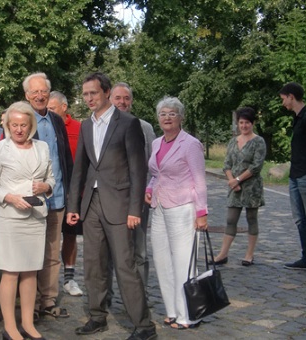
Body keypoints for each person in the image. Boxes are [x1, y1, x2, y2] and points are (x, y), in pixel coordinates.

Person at [66, 72, 156, 340]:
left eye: (93, 93)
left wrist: (134, 209)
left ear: (106, 92)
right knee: (93, 264)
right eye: (85, 94)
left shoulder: (129, 124)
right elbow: (79, 168)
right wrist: (73, 205)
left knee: (125, 265)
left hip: (120, 205)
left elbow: (139, 171)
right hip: (91, 205)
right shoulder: (85, 126)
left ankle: (144, 326)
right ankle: (97, 316)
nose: (89, 98)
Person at [0, 101, 55, 340]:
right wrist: (10, 197)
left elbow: (51, 180)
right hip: (9, 218)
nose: (19, 129)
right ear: (7, 124)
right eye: (14, 125)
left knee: (31, 272)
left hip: (35, 217)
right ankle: (10, 327)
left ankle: (28, 324)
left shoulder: (42, 148)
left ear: (31, 125)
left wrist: (46, 186)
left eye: (23, 125)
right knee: (11, 272)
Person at [145, 96, 208, 330]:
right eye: (163, 114)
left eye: (172, 113)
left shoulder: (190, 144)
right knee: (162, 260)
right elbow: (156, 172)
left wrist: (202, 212)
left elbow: (199, 180)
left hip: (183, 207)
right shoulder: (156, 143)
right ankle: (172, 310)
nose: (167, 117)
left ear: (181, 117)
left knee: (184, 262)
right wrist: (149, 188)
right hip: (160, 208)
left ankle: (189, 314)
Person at [23, 73, 73, 319]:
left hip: (57, 197)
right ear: (27, 96)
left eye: (44, 91)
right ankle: (29, 304)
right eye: (35, 92)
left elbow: (65, 159)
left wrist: (71, 195)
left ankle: (48, 300)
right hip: (32, 200)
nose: (40, 96)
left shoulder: (56, 120)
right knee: (31, 252)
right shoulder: (21, 120)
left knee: (52, 253)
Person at [109, 82, 155, 301]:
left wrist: (148, 191)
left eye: (126, 98)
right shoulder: (101, 126)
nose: (122, 102)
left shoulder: (144, 127)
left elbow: (152, 164)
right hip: (110, 200)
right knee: (108, 251)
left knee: (139, 250)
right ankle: (107, 294)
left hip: (137, 200)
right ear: (110, 99)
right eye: (118, 98)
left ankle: (140, 295)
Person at [212, 107, 266, 267]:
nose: (244, 126)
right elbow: (227, 164)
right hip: (234, 187)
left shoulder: (258, 141)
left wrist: (237, 179)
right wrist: (231, 180)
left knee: (251, 218)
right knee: (231, 219)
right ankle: (223, 254)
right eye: (241, 123)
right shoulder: (232, 141)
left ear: (253, 123)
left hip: (251, 187)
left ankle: (249, 255)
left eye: (247, 123)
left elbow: (256, 166)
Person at [279, 82, 306, 274]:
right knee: (300, 219)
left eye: (283, 99)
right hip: (295, 175)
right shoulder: (297, 118)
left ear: (291, 96)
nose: (283, 103)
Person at [47, 91, 83, 297]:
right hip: (49, 191)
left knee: (70, 235)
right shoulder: (41, 125)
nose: (49, 111)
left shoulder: (78, 128)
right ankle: (46, 282)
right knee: (49, 239)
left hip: (71, 191)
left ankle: (69, 279)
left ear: (64, 107)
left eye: (53, 108)